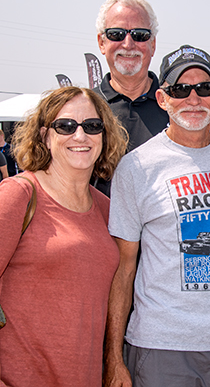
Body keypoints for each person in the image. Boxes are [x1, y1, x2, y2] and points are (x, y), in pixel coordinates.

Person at [104, 45, 210, 387]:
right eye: (180, 89)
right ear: (162, 99)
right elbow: (123, 268)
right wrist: (113, 358)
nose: (193, 98)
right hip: (162, 349)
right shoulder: (136, 167)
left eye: (204, 88)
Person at [0, 87, 128, 386]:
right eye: (66, 126)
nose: (80, 136)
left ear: (104, 135)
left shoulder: (107, 210)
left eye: (92, 126)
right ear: (45, 135)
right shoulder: (18, 195)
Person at [94, 0, 169, 195]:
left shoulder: (177, 107)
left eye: (140, 35)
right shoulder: (85, 109)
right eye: (116, 34)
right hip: (101, 226)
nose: (128, 44)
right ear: (102, 42)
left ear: (152, 45)